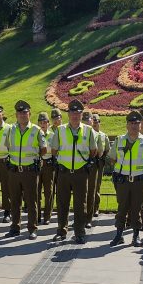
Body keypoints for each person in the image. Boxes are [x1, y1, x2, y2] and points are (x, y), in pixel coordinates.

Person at [50, 99, 96, 244]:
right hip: (63, 173)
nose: (75, 115)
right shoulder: (60, 130)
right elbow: (54, 150)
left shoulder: (88, 131)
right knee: (62, 203)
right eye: (72, 112)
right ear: (68, 114)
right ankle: (61, 231)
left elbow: (93, 151)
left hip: (80, 173)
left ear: (82, 114)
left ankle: (80, 233)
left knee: (80, 204)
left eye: (78, 113)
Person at [107, 110, 143, 247]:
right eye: (132, 123)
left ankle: (135, 236)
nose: (134, 126)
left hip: (139, 182)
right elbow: (112, 158)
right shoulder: (119, 140)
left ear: (140, 125)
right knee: (122, 208)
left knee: (137, 208)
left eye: (137, 123)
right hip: (123, 181)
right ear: (127, 125)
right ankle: (119, 235)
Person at [4, 100, 46, 240]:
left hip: (30, 171)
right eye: (20, 113)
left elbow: (43, 149)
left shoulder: (36, 130)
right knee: (14, 200)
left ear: (30, 114)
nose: (22, 115)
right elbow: (7, 146)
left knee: (31, 200)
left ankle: (32, 228)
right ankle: (15, 227)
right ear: (16, 114)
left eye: (25, 112)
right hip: (14, 170)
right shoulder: (11, 129)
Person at [87, 114, 109, 226]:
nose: (95, 123)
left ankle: (96, 208)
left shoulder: (103, 135)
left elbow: (106, 150)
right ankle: (88, 210)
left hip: (99, 163)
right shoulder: (87, 133)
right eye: (93, 120)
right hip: (88, 162)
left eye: (97, 121)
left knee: (97, 186)